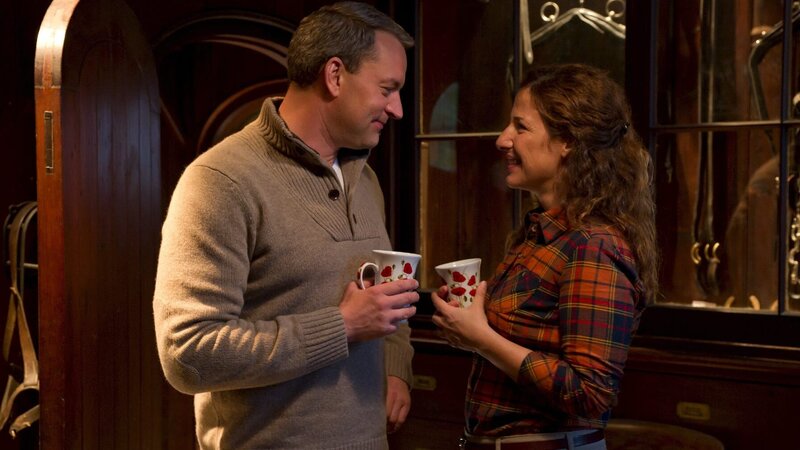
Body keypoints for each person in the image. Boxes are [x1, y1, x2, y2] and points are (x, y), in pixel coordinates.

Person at [153, 3, 418, 449]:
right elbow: (188, 354)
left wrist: (395, 368)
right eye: (388, 89)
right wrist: (341, 327)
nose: (398, 110)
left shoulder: (366, 180)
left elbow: (385, 295)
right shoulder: (221, 181)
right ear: (335, 75)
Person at [432, 63, 658, 450]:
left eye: (520, 127)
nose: (502, 140)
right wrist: (467, 324)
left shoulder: (594, 244)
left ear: (567, 140)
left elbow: (590, 394)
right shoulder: (541, 233)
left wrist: (482, 338)